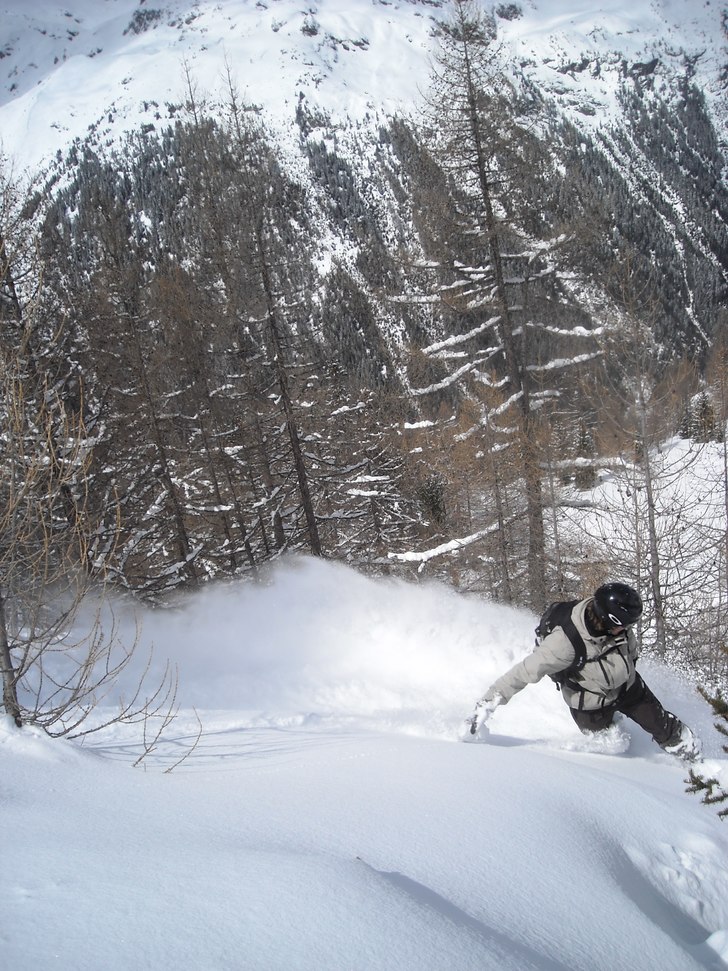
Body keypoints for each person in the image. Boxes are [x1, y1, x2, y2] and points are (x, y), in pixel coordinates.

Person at [468, 582, 702, 761]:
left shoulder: (617, 628)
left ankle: (696, 762)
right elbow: (523, 672)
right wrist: (487, 703)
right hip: (590, 705)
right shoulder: (564, 644)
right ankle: (633, 770)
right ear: (607, 619)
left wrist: (628, 671)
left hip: (628, 687)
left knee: (664, 726)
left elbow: (631, 652)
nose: (628, 629)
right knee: (611, 747)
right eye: (625, 624)